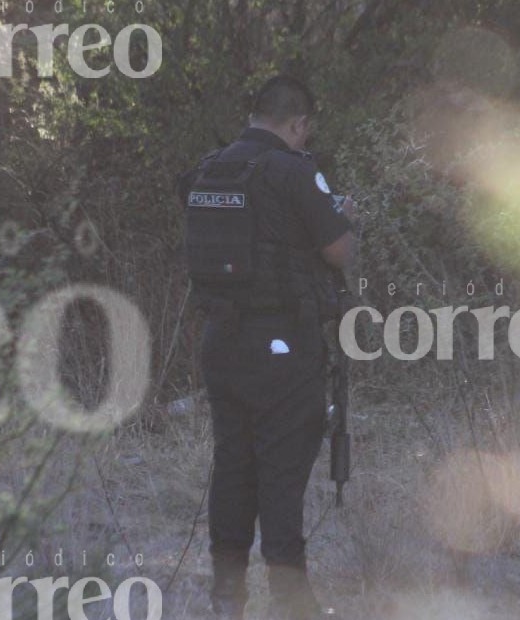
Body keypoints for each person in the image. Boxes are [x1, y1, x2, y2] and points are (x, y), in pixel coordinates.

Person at [177, 75, 354, 620]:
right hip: (282, 346)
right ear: (298, 124)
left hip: (220, 342)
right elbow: (340, 250)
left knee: (233, 465)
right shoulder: (294, 172)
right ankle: (292, 604)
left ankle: (227, 599)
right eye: (305, 131)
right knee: (281, 470)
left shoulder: (207, 169)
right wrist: (345, 215)